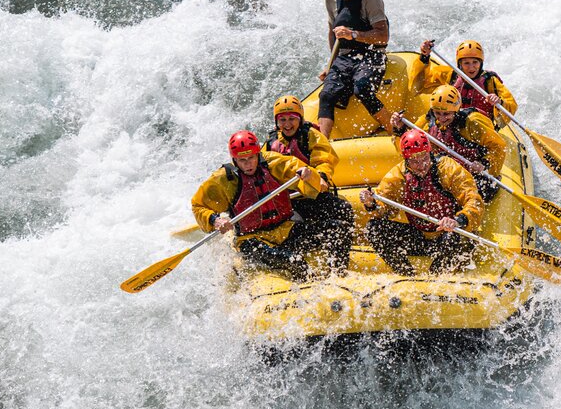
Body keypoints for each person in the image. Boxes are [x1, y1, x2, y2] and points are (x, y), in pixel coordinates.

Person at [192, 130, 352, 281]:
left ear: (258, 154)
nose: (248, 164)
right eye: (243, 160)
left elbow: (302, 174)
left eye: (252, 158)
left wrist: (308, 174)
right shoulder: (223, 180)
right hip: (252, 241)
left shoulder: (273, 163)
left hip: (286, 229)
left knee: (337, 229)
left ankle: (338, 276)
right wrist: (215, 220)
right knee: (292, 260)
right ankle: (310, 287)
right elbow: (198, 205)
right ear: (234, 159)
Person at [358, 129, 483, 276]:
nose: (421, 165)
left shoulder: (448, 168)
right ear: (406, 160)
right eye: (414, 161)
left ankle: (434, 279)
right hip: (420, 237)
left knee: (453, 236)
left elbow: (474, 200)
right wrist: (371, 203)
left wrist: (458, 220)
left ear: (430, 152)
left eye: (424, 157)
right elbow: (385, 210)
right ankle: (407, 275)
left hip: (449, 234)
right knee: (373, 228)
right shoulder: (398, 175)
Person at [317, 0, 393, 138]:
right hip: (346, 56)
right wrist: (331, 65)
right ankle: (321, 146)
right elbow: (332, 32)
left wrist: (353, 34)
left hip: (372, 52)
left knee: (363, 88)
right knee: (326, 95)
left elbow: (383, 36)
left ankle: (396, 130)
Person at [391, 85, 506, 202]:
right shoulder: (426, 123)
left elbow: (498, 147)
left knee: (482, 191)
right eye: (437, 113)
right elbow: (409, 149)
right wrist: (399, 129)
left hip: (475, 174)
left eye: (446, 114)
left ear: (456, 110)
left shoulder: (473, 123)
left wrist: (485, 164)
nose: (441, 118)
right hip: (447, 175)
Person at [264, 95, 355, 227]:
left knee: (343, 210)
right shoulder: (271, 143)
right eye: (282, 120)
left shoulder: (311, 135)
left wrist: (321, 176)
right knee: (296, 226)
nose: (287, 124)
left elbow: (324, 159)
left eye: (292, 119)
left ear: (300, 119)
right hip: (289, 199)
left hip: (313, 193)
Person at [410, 39, 518, 130]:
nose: (471, 67)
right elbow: (420, 83)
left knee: (473, 117)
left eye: (475, 62)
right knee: (430, 115)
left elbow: (511, 105)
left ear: (481, 63)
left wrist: (499, 102)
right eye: (466, 63)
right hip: (449, 122)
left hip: (479, 127)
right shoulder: (451, 75)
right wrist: (424, 56)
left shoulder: (490, 81)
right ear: (460, 64)